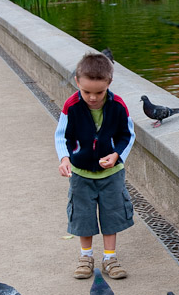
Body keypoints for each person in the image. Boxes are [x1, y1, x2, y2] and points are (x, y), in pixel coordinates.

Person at [55, 52, 135, 280]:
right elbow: (61, 136)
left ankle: (110, 257)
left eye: (99, 92)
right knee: (83, 215)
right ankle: (85, 256)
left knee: (112, 213)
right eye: (86, 91)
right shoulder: (71, 105)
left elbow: (127, 135)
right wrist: (65, 158)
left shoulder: (118, 105)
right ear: (77, 82)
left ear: (109, 83)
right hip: (80, 172)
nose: (92, 98)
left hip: (112, 173)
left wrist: (117, 155)